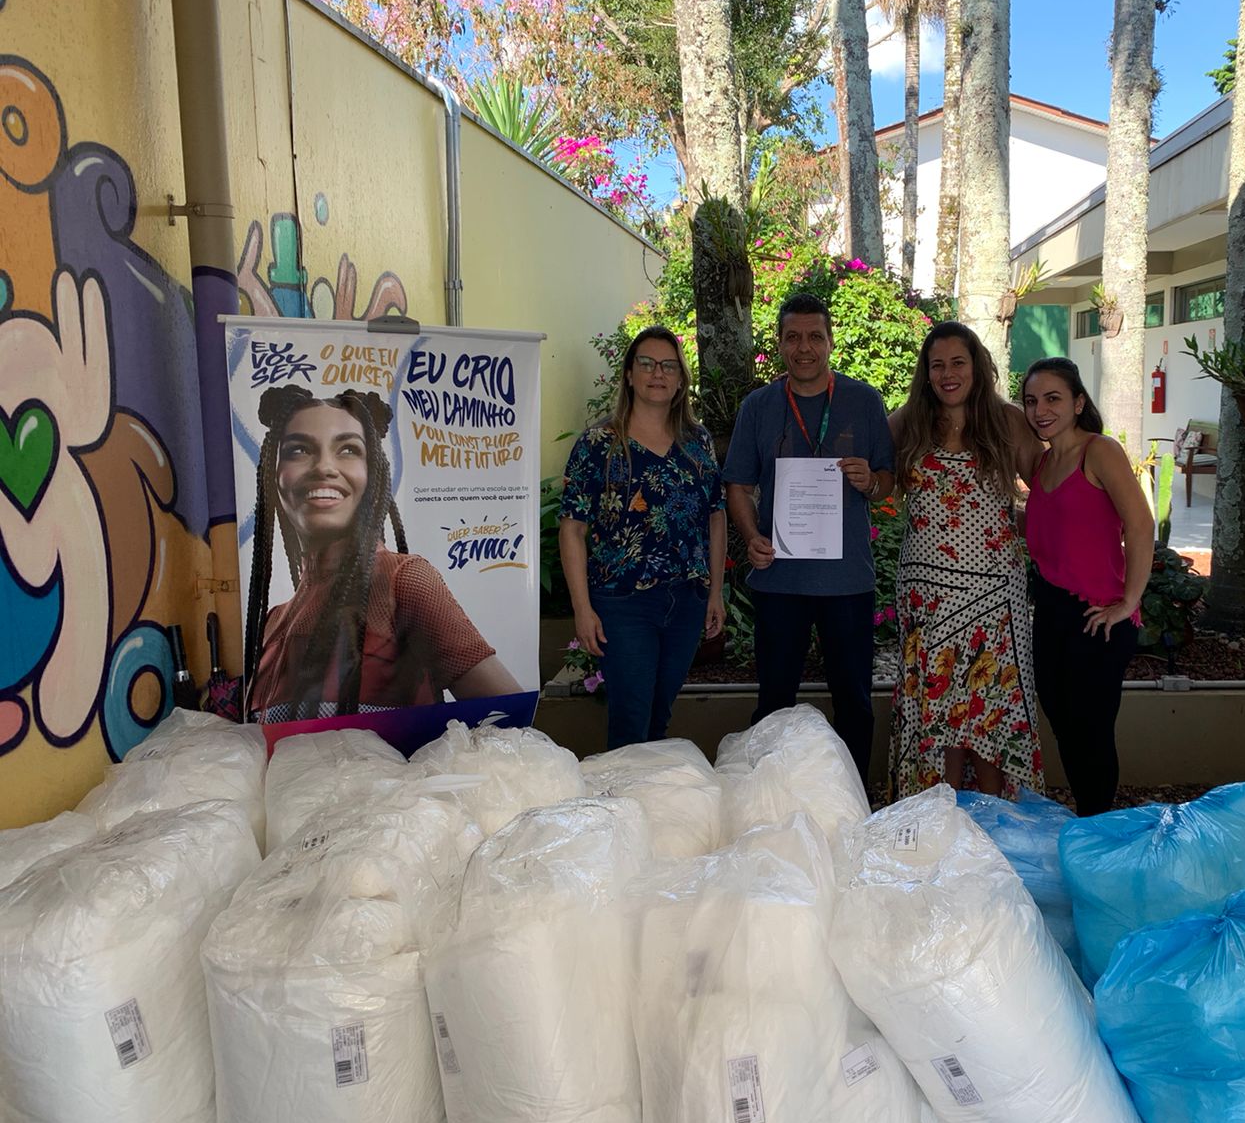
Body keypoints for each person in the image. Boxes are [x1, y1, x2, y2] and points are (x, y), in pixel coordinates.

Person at [245, 387, 520, 723]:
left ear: (373, 472)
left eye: (348, 449)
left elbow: (511, 719)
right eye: (299, 450)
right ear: (273, 475)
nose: (324, 467)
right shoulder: (272, 621)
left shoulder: (404, 583)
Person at [723, 292, 894, 782]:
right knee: (774, 702)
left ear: (830, 342)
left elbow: (888, 480)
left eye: (814, 337)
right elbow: (738, 485)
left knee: (854, 702)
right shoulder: (758, 406)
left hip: (847, 583)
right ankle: (771, 798)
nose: (804, 348)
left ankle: (852, 800)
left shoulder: (864, 401)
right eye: (793, 337)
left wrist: (871, 482)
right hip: (779, 580)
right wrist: (751, 535)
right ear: (779, 343)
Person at [888, 322, 1044, 800]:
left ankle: (996, 825)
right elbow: (873, 483)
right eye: (937, 365)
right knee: (939, 712)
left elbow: (1050, 488)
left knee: (989, 711)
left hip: (994, 598)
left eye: (958, 363)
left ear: (977, 366)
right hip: (928, 597)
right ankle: (941, 823)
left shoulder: (1008, 421)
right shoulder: (906, 423)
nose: (948, 374)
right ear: (926, 372)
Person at [559, 326, 727, 749]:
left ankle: (649, 792)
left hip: (686, 601)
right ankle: (624, 792)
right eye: (647, 363)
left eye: (669, 366)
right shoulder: (598, 444)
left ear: (680, 379)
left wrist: (714, 593)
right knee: (631, 722)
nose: (658, 373)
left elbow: (716, 516)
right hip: (624, 603)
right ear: (630, 375)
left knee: (659, 719)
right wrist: (582, 608)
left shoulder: (698, 442)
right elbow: (572, 529)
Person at [1021, 357, 1155, 816]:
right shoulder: (1042, 463)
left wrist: (1129, 601)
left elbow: (1141, 525)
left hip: (1098, 616)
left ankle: (1098, 827)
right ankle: (1089, 818)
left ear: (1078, 403)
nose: (1040, 410)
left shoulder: (1099, 451)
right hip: (1052, 611)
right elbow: (1055, 528)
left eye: (1053, 398)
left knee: (1091, 730)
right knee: (1063, 722)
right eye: (1032, 401)